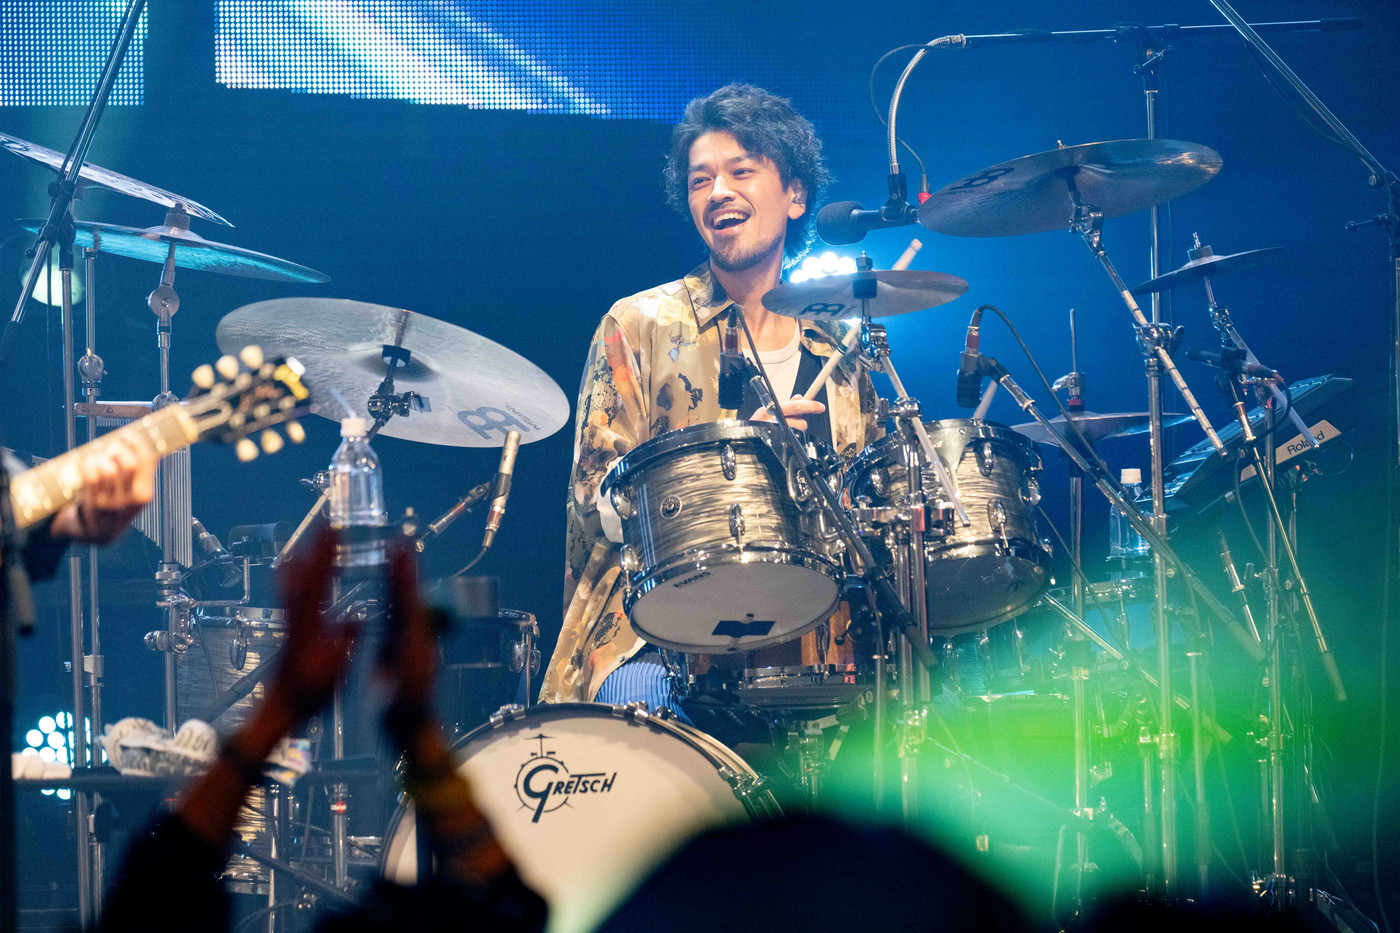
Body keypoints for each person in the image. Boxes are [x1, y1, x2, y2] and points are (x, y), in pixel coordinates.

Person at [540, 84, 879, 709]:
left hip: (821, 634)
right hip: (662, 632)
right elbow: (593, 500)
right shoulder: (638, 324)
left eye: (741, 172)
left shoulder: (839, 349)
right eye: (701, 180)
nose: (718, 191)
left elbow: (872, 504)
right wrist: (745, 461)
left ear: (796, 195)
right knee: (643, 705)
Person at [96, 530, 546, 933]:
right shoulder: (502, 909)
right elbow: (515, 909)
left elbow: (155, 903)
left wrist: (280, 708)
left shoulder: (159, 897)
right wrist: (415, 723)